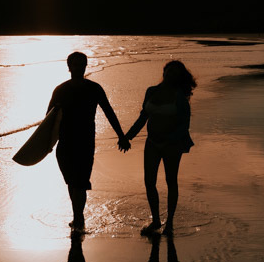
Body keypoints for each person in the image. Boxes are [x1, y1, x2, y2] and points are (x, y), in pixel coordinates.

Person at [48, 52, 130, 231]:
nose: (78, 68)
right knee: (72, 182)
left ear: (86, 66)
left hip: (85, 142)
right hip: (65, 143)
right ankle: (77, 215)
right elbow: (47, 119)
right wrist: (44, 145)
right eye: (74, 65)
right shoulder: (60, 90)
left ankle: (78, 218)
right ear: (69, 67)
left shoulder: (94, 88)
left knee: (81, 182)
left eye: (81, 64)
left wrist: (121, 136)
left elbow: (109, 111)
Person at [125, 60, 196, 236]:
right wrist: (127, 136)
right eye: (169, 70)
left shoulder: (179, 96)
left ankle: (169, 223)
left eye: (175, 72)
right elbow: (143, 117)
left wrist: (170, 138)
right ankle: (156, 220)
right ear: (163, 72)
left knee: (171, 181)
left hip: (173, 144)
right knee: (149, 182)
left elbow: (184, 125)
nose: (171, 74)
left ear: (179, 77)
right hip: (152, 143)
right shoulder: (151, 91)